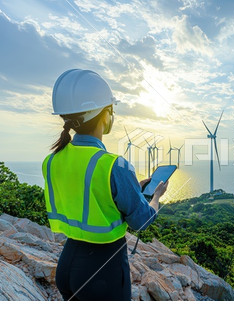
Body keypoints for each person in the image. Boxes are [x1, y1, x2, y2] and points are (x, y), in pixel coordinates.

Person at [42, 69, 168, 301]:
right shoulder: (114, 165)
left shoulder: (51, 161)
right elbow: (142, 221)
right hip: (103, 272)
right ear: (105, 115)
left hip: (67, 266)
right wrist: (156, 197)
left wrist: (132, 188)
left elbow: (86, 194)